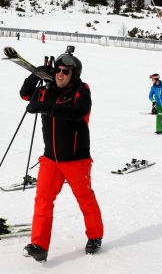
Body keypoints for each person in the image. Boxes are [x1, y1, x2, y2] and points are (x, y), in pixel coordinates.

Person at [19, 46, 104, 262]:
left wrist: (48, 108)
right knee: (43, 201)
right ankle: (39, 244)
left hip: (76, 160)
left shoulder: (81, 91)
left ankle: (95, 236)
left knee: (85, 199)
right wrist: (36, 73)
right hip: (50, 159)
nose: (60, 74)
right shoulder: (48, 89)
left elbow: (79, 112)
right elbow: (25, 94)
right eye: (57, 70)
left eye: (65, 71)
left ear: (74, 74)